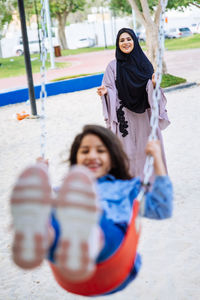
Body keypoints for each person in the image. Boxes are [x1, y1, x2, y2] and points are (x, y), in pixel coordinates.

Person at [10, 124, 173, 296]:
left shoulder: (127, 188)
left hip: (113, 260)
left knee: (91, 219)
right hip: (67, 264)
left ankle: (88, 235)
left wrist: (157, 159)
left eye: (100, 151)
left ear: (112, 158)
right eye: (85, 151)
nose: (92, 156)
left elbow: (162, 208)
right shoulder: (65, 191)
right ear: (76, 157)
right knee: (53, 215)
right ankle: (42, 235)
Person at [97, 28, 170, 179]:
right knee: (126, 151)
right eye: (122, 40)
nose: (126, 43)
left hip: (145, 115)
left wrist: (154, 85)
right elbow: (110, 88)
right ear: (118, 44)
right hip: (125, 116)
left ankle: (151, 181)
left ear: (135, 41)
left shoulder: (144, 64)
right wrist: (106, 93)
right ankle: (129, 182)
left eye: (128, 39)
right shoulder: (112, 66)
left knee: (147, 148)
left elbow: (151, 88)